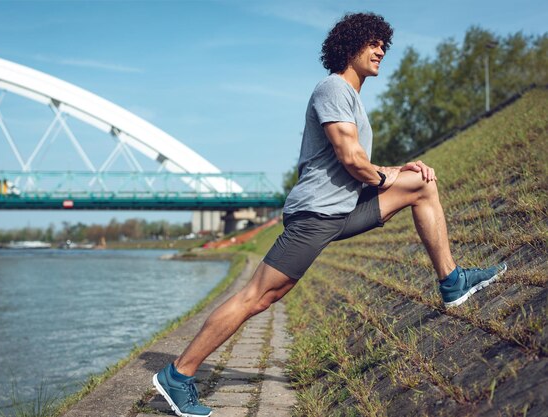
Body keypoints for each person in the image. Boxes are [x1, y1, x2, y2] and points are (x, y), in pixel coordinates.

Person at [152, 12, 507, 417]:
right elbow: (353, 160)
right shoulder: (332, 88)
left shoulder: (352, 99)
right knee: (258, 297)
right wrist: (388, 176)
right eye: (372, 43)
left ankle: (452, 281)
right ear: (349, 46)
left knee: (423, 184)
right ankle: (177, 376)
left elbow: (358, 166)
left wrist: (403, 171)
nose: (381, 50)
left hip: (343, 210)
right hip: (315, 217)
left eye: (384, 45)